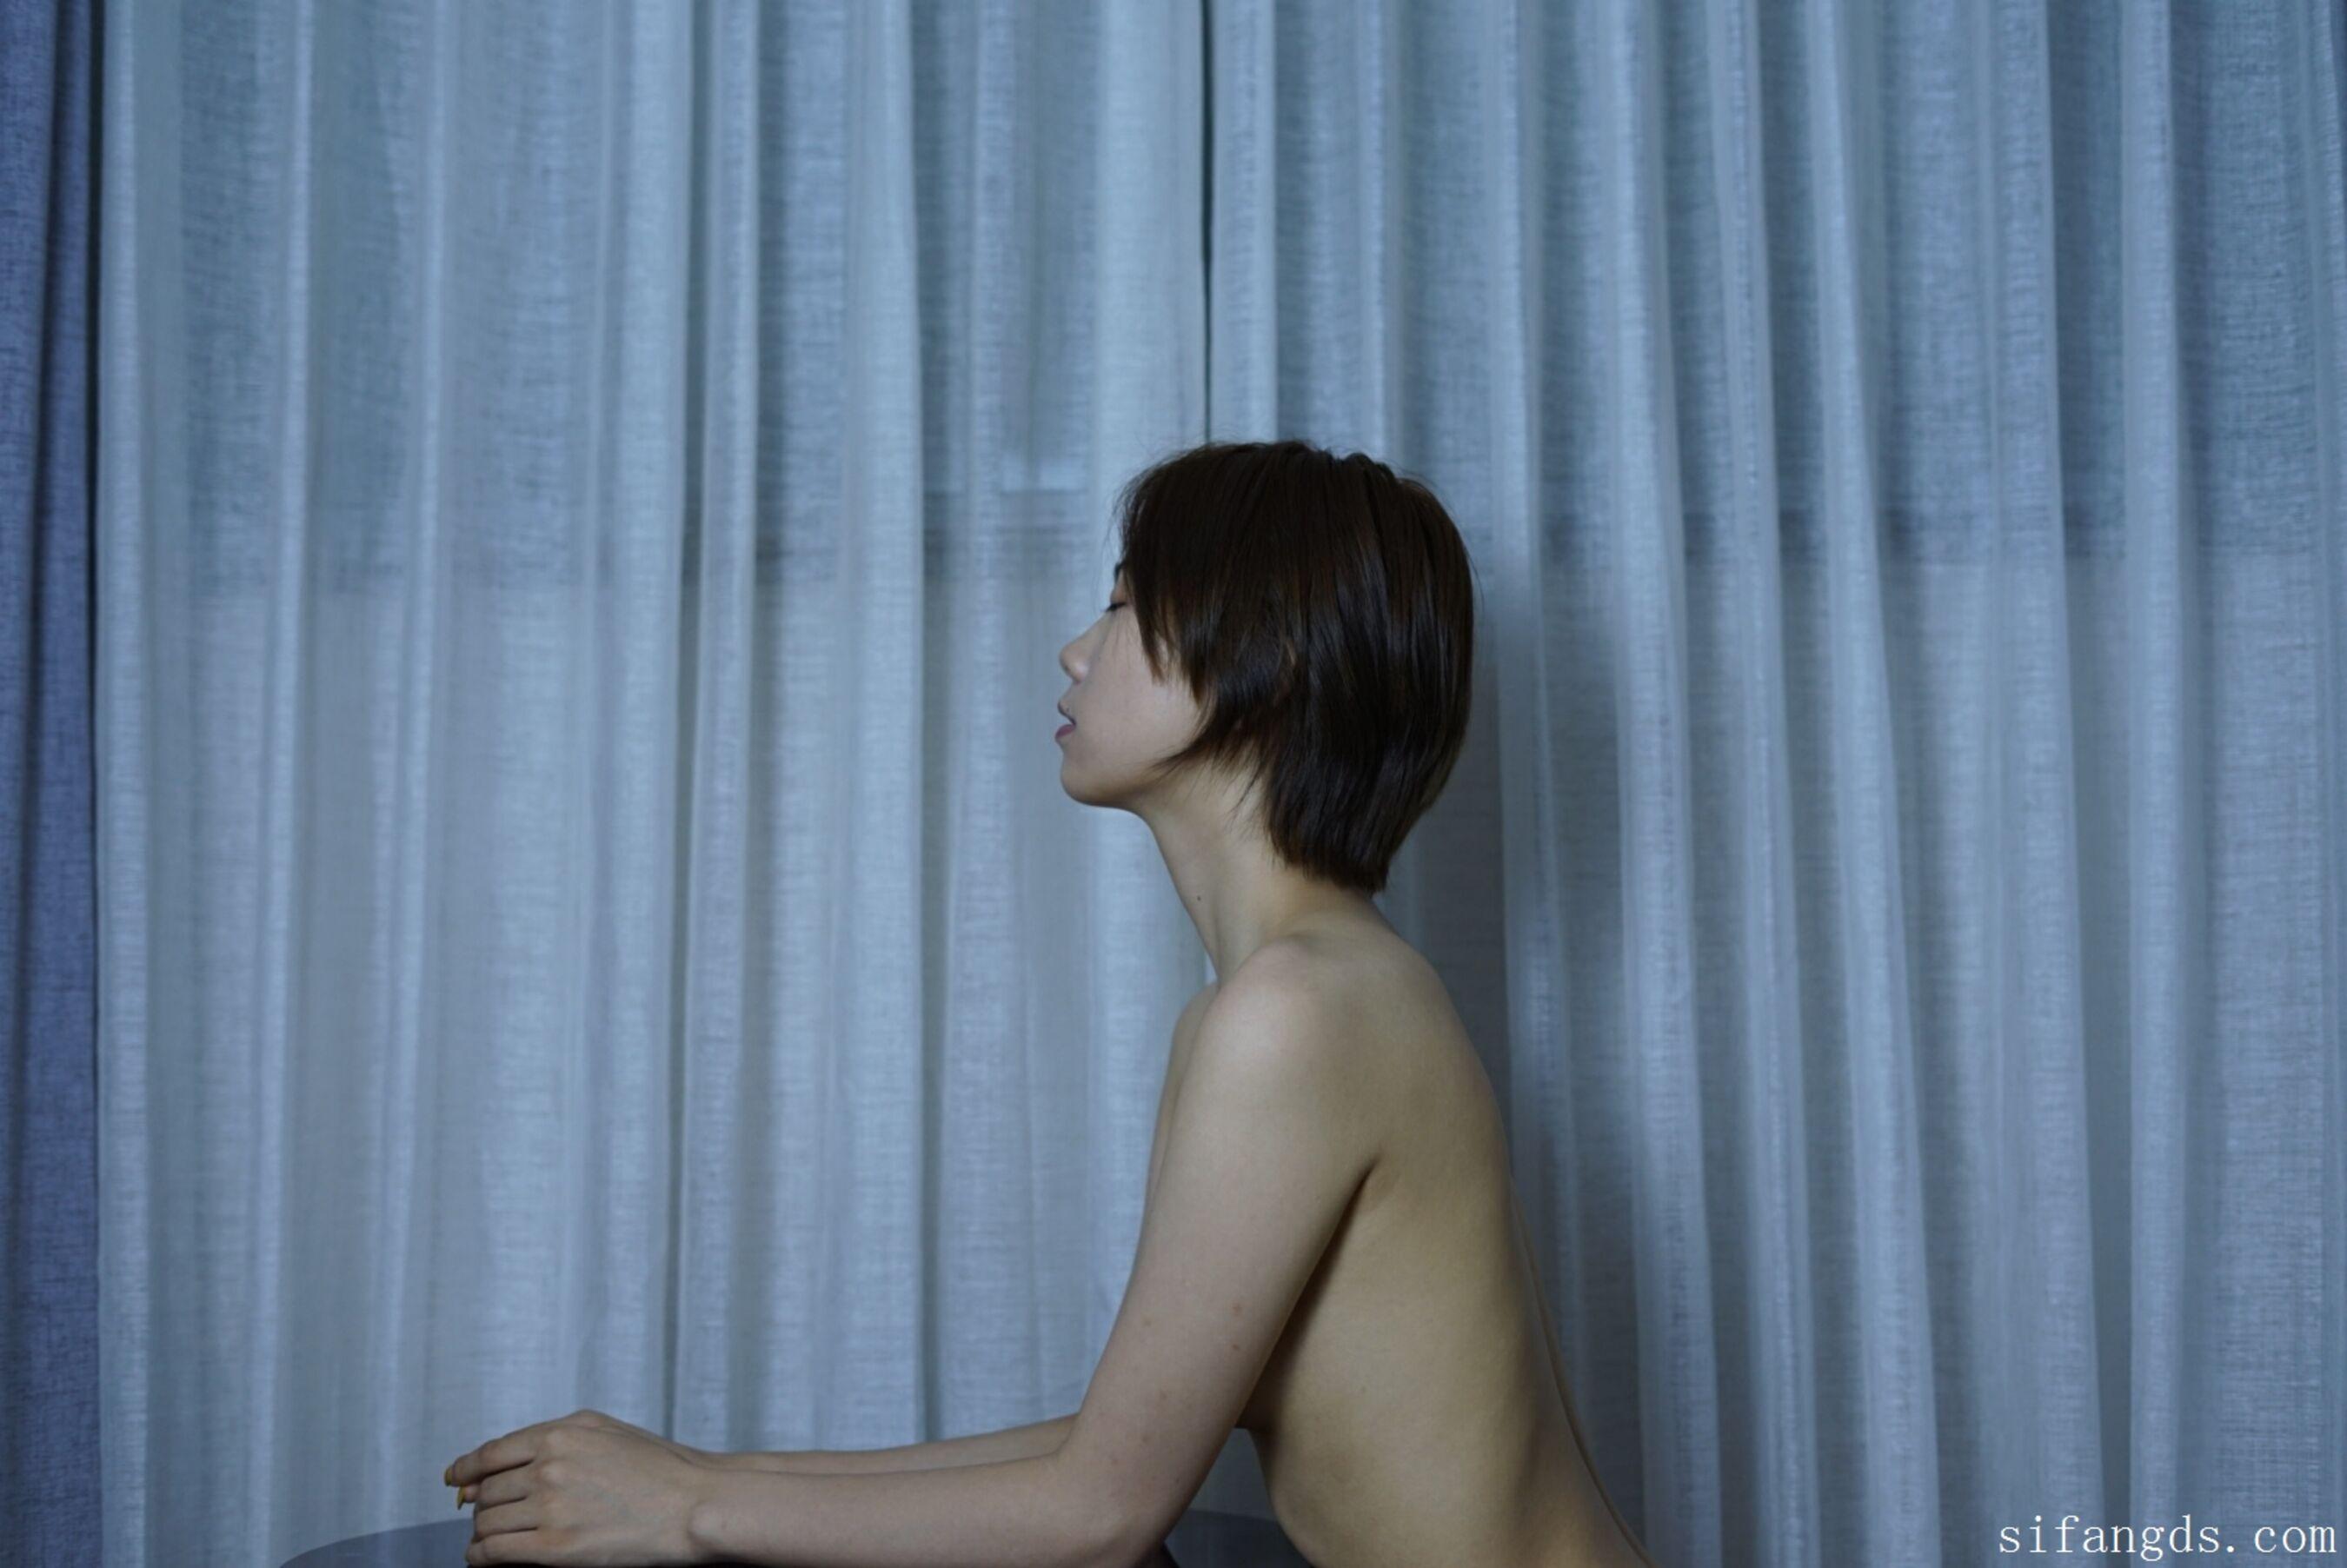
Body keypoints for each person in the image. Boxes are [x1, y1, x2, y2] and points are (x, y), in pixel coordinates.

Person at [1036, 439, 1661, 1566]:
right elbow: (1117, 1454)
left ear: (1267, 664)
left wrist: (702, 1508)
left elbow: (1101, 1512)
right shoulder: (1285, 998)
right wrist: (709, 1483)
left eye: (1124, 607)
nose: (1077, 650)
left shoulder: (1294, 1016)